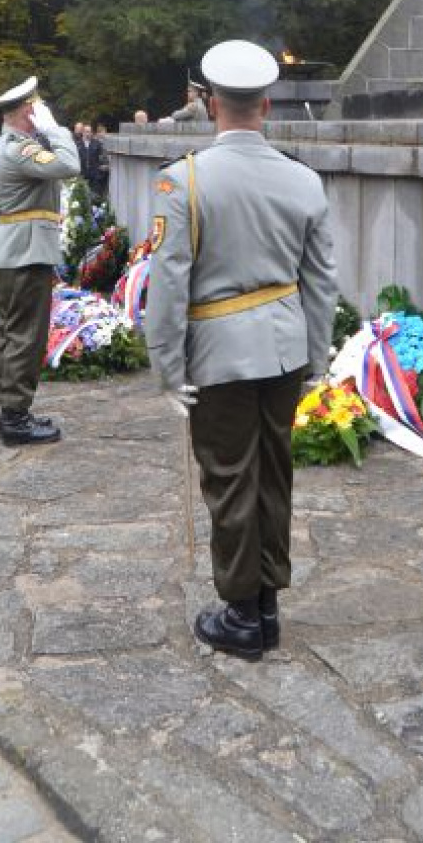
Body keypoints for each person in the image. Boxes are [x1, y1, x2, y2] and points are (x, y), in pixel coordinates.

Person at [145, 39, 338, 661]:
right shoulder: (303, 180)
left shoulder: (183, 180)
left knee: (230, 481)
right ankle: (268, 605)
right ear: (267, 105)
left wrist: (168, 368)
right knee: (274, 476)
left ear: (210, 105)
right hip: (283, 352)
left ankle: (241, 615)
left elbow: (168, 285)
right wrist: (317, 360)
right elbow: (321, 282)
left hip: (218, 356)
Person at [0, 75, 80, 446]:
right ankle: (15, 418)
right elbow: (69, 165)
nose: (41, 113)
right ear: (28, 112)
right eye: (37, 108)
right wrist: (56, 130)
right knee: (27, 335)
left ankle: (13, 409)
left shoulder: (1, 147)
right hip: (25, 253)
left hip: (12, 250)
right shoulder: (18, 150)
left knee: (13, 333)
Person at [75, 122, 110, 203]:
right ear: (83, 132)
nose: (88, 134)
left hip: (94, 174)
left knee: (94, 196)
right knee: (82, 196)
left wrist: (104, 165)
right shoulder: (77, 145)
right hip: (82, 174)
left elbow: (102, 156)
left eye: (89, 132)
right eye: (86, 131)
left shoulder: (97, 144)